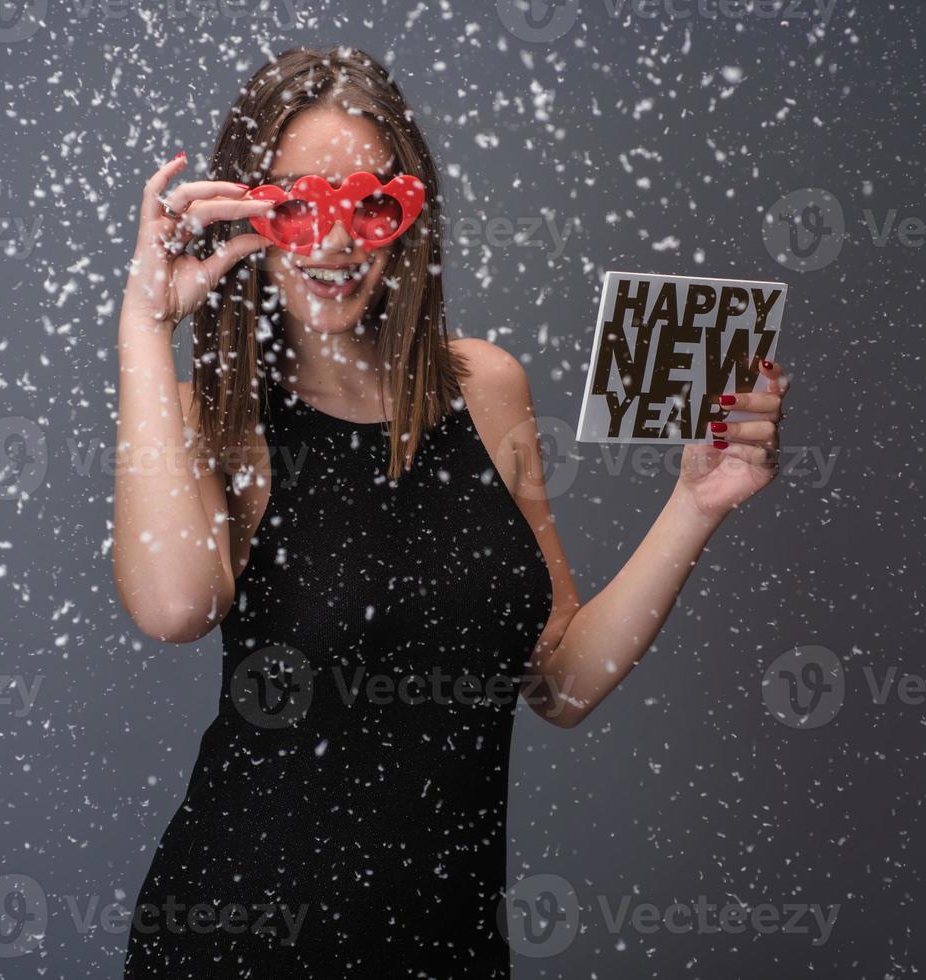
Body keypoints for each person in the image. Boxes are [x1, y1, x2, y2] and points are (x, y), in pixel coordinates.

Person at [113, 45, 790, 979]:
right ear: (249, 214)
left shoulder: (487, 388)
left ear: (408, 211)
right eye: (298, 205)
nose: (336, 241)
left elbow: (558, 682)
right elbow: (173, 608)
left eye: (366, 205)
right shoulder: (211, 421)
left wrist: (694, 502)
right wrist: (147, 329)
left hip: (448, 945)